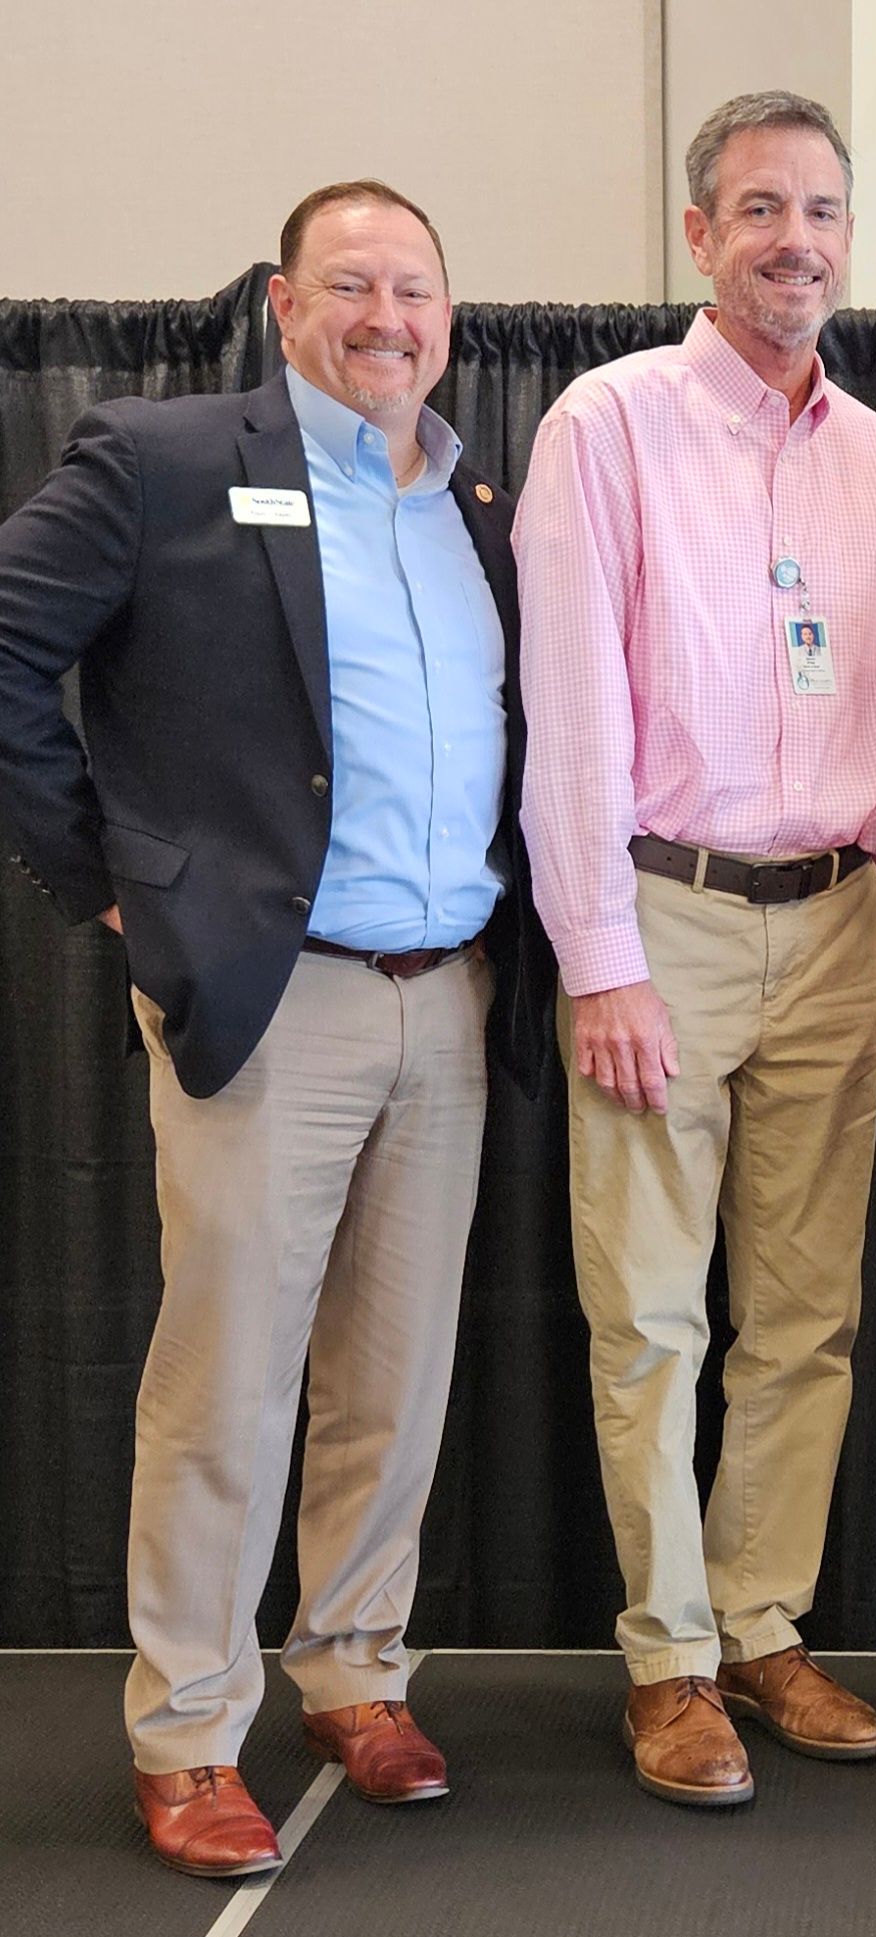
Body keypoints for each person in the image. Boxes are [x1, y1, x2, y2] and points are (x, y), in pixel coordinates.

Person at [0, 180, 551, 1875]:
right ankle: (187, 1727)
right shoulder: (166, 460)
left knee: (394, 1372)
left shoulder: (470, 489)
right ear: (282, 297)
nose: (389, 314)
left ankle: (355, 1671)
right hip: (272, 993)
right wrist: (105, 878)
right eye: (354, 284)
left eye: (418, 288)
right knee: (229, 1381)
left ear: (450, 315)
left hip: (447, 994)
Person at [514, 91, 876, 1807]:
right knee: (647, 1315)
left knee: (806, 1315)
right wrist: (598, 953)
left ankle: (765, 1624)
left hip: (841, 920)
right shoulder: (604, 425)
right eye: (760, 208)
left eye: (823, 210)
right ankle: (670, 1658)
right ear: (700, 235)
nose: (796, 239)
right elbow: (569, 709)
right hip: (664, 918)